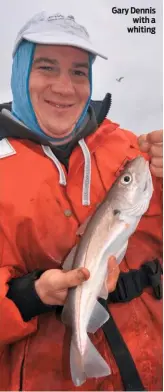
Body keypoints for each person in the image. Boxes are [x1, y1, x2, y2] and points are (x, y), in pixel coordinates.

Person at [0, 11, 162, 392]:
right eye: (46, 67)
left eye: (78, 71)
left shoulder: (129, 147)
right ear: (21, 73)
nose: (65, 86)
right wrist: (30, 296)